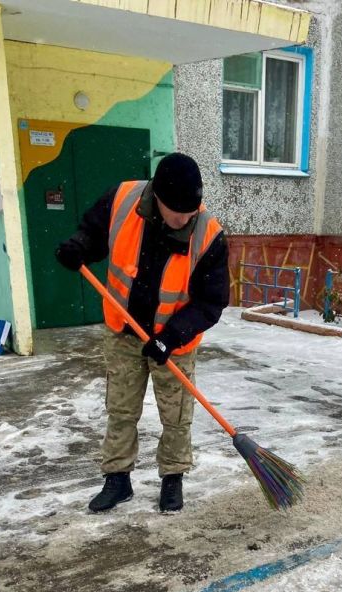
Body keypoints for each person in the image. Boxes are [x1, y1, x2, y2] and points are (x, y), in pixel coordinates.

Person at [55, 153, 229, 513]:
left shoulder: (209, 235)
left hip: (173, 342)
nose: (184, 218)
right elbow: (93, 233)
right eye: (176, 211)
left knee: (177, 415)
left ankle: (173, 478)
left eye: (190, 211)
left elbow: (211, 303)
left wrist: (173, 335)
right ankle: (117, 479)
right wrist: (78, 247)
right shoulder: (122, 200)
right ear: (157, 197)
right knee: (120, 408)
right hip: (124, 331)